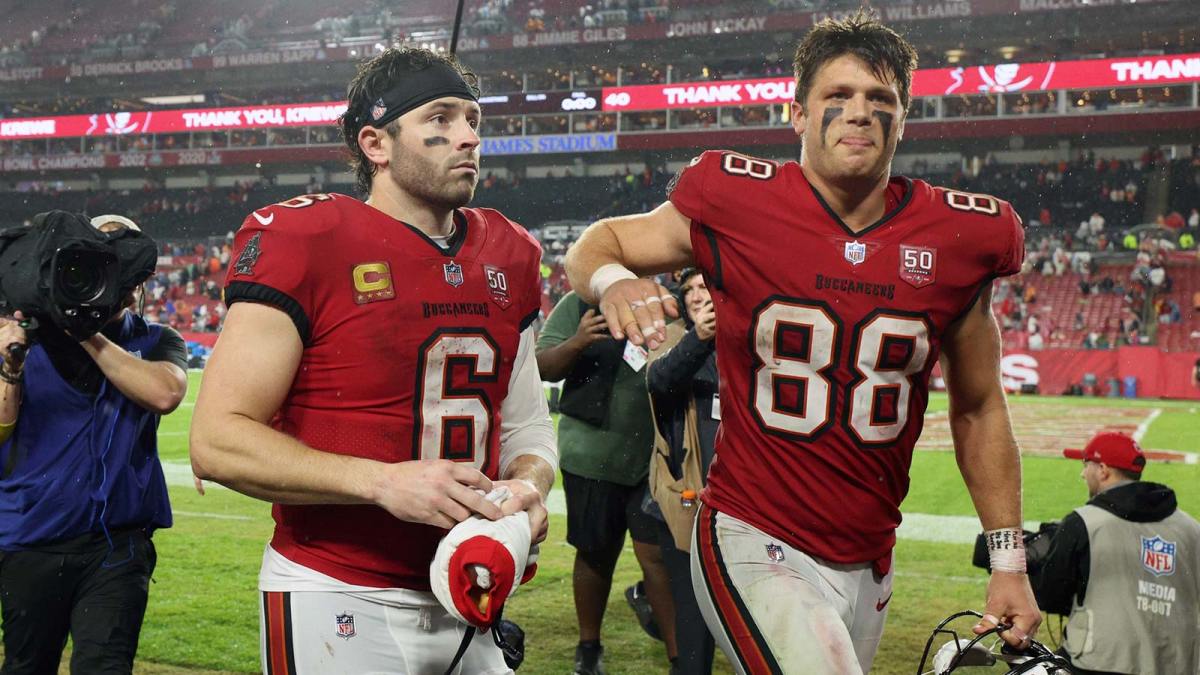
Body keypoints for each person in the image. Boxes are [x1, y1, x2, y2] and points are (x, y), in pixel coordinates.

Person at [564, 11, 1040, 674]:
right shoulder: (737, 200)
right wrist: (613, 281)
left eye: (881, 100)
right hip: (753, 531)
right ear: (796, 114)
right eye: (837, 97)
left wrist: (1009, 562)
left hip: (870, 556)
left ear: (903, 119)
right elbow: (597, 243)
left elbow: (980, 406)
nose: (860, 113)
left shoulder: (959, 237)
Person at [189, 47, 556, 674]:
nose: (467, 137)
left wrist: (525, 489)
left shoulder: (511, 251)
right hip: (337, 588)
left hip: (471, 587)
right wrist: (383, 481)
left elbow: (525, 424)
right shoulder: (307, 238)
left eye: (473, 120)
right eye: (439, 119)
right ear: (375, 144)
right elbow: (217, 441)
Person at [0, 214, 188, 675]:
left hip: (118, 544)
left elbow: (165, 393)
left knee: (104, 667)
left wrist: (85, 328)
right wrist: (9, 366)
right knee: (27, 667)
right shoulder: (25, 338)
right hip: (31, 538)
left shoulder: (157, 339)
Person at [536, 290, 677, 675]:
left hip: (656, 457)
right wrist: (579, 340)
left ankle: (679, 659)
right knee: (596, 554)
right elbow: (541, 366)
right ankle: (588, 645)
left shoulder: (668, 300)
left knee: (658, 557)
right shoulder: (579, 303)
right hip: (592, 454)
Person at [1036, 432, 1200, 674]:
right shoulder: (1192, 528)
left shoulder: (1084, 522)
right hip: (1179, 664)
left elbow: (1050, 596)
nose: (1083, 474)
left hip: (1100, 662)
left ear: (1102, 470)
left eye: (1086, 465)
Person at [646, 268, 719, 675]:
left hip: (746, 503)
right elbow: (660, 380)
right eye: (688, 289)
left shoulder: (749, 331)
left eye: (704, 287)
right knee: (693, 630)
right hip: (688, 500)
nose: (695, 296)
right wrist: (701, 337)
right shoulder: (676, 337)